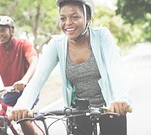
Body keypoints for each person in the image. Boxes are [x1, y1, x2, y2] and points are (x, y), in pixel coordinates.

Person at [11, 0, 131, 135]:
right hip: (77, 110)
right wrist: (22, 104)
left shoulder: (102, 36)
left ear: (88, 18)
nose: (67, 23)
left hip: (110, 107)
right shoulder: (56, 44)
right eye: (63, 18)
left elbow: (116, 70)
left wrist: (121, 99)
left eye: (75, 17)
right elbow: (38, 78)